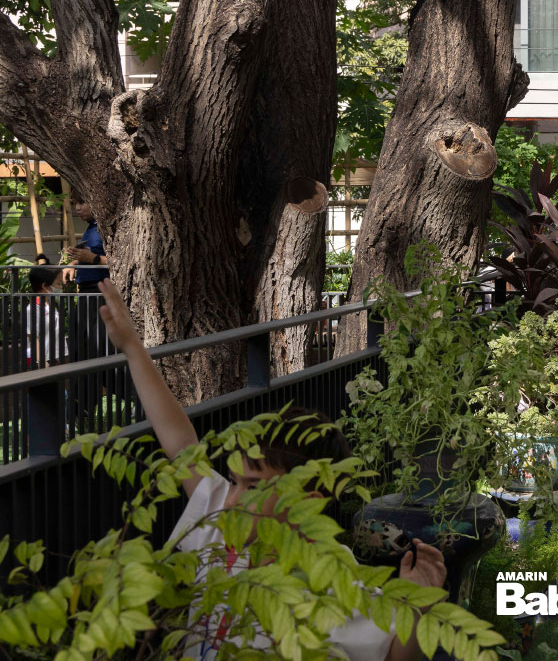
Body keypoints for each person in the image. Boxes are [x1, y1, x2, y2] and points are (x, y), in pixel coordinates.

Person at [94, 279, 447, 660]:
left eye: (253, 486)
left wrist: (419, 603)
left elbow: (391, 654)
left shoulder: (332, 578)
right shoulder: (223, 529)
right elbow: (181, 444)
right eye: (234, 481)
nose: (233, 499)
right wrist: (132, 347)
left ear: (307, 503)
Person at [24, 265, 66, 368]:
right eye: (58, 284)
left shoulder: (49, 305)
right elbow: (33, 337)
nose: (61, 288)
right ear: (44, 286)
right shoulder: (33, 308)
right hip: (41, 361)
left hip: (52, 358)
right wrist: (41, 362)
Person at [64, 198, 109, 293]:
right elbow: (94, 254)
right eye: (75, 203)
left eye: (81, 202)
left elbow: (122, 262)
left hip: (102, 288)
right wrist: (74, 263)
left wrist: (94, 259)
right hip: (85, 288)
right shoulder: (92, 227)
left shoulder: (108, 227)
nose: (77, 208)